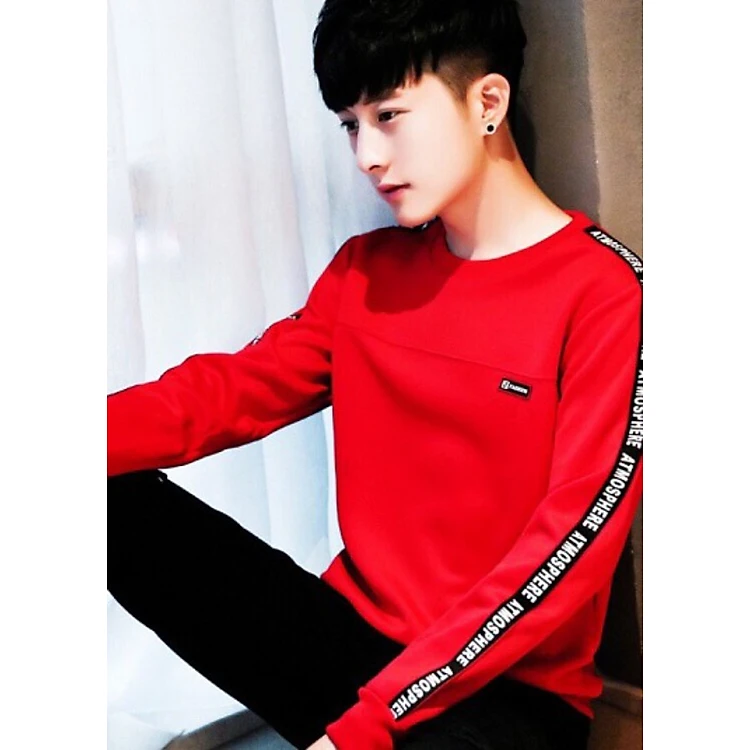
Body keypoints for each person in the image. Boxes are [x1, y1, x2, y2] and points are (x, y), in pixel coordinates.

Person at [107, 1, 643, 748]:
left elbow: (569, 546)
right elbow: (223, 395)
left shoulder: (605, 293)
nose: (367, 156)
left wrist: (373, 723)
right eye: (350, 126)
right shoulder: (367, 273)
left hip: (502, 693)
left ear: (487, 102)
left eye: (388, 116)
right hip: (347, 647)